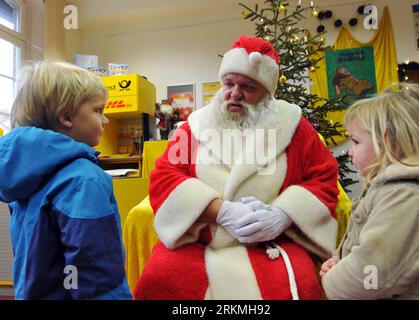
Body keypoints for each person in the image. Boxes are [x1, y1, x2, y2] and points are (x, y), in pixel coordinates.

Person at [133, 35, 340, 300]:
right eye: (228, 83)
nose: (234, 94)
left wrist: (283, 215)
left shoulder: (294, 126)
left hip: (273, 241)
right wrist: (221, 212)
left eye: (248, 87)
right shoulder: (194, 126)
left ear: (267, 94)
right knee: (159, 278)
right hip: (202, 239)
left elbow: (323, 177)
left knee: (302, 285)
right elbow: (165, 177)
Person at [0, 61, 132, 300]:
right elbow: (94, 271)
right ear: (67, 116)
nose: (106, 121)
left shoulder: (24, 174)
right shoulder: (83, 179)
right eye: (98, 110)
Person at [321, 82, 419, 299]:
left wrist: (331, 279)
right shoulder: (392, 189)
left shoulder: (408, 197)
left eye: (356, 141)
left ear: (386, 141)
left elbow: (370, 277)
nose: (349, 152)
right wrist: (339, 261)